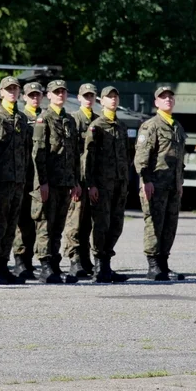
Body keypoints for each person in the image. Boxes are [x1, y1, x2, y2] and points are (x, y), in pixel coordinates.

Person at [0, 76, 31, 284]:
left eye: (15, 89)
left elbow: (27, 151)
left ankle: (3, 264)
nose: (12, 92)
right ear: (1, 93)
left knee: (11, 226)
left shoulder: (21, 118)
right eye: (8, 89)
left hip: (17, 181)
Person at [32, 79, 82, 284]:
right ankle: (45, 265)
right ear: (48, 96)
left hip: (65, 182)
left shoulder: (69, 120)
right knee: (45, 224)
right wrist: (41, 182)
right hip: (49, 182)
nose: (60, 94)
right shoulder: (44, 119)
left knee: (58, 225)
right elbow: (38, 154)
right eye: (56, 92)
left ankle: (54, 264)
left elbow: (74, 154)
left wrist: (76, 181)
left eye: (63, 91)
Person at [134, 86, 186, 280]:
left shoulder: (177, 126)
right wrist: (146, 181)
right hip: (155, 185)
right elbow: (141, 157)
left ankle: (164, 264)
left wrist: (179, 182)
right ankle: (153, 265)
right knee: (154, 224)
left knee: (169, 225)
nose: (167, 100)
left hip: (172, 185)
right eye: (163, 97)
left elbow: (180, 158)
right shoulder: (151, 126)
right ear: (156, 102)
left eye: (170, 97)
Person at [84, 86, 130, 283]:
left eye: (115, 97)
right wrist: (91, 184)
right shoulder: (97, 126)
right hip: (102, 185)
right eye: (108, 97)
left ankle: (107, 266)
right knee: (101, 225)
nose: (112, 100)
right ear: (101, 101)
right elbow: (88, 158)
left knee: (116, 224)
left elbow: (127, 156)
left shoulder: (121, 126)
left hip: (119, 184)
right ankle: (99, 267)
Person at [63, 83, 98, 278]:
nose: (88, 99)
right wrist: (73, 180)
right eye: (85, 96)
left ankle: (85, 259)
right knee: (74, 222)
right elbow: (70, 153)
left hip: (91, 179)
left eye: (91, 95)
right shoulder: (74, 120)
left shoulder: (97, 121)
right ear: (78, 98)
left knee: (87, 223)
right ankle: (74, 259)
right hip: (78, 178)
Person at [12, 82, 43, 281]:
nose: (34, 98)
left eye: (37, 95)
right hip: (22, 175)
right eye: (31, 95)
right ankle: (20, 261)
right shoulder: (21, 117)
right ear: (24, 97)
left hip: (39, 176)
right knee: (21, 220)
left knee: (36, 220)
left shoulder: (46, 117)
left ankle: (30, 260)